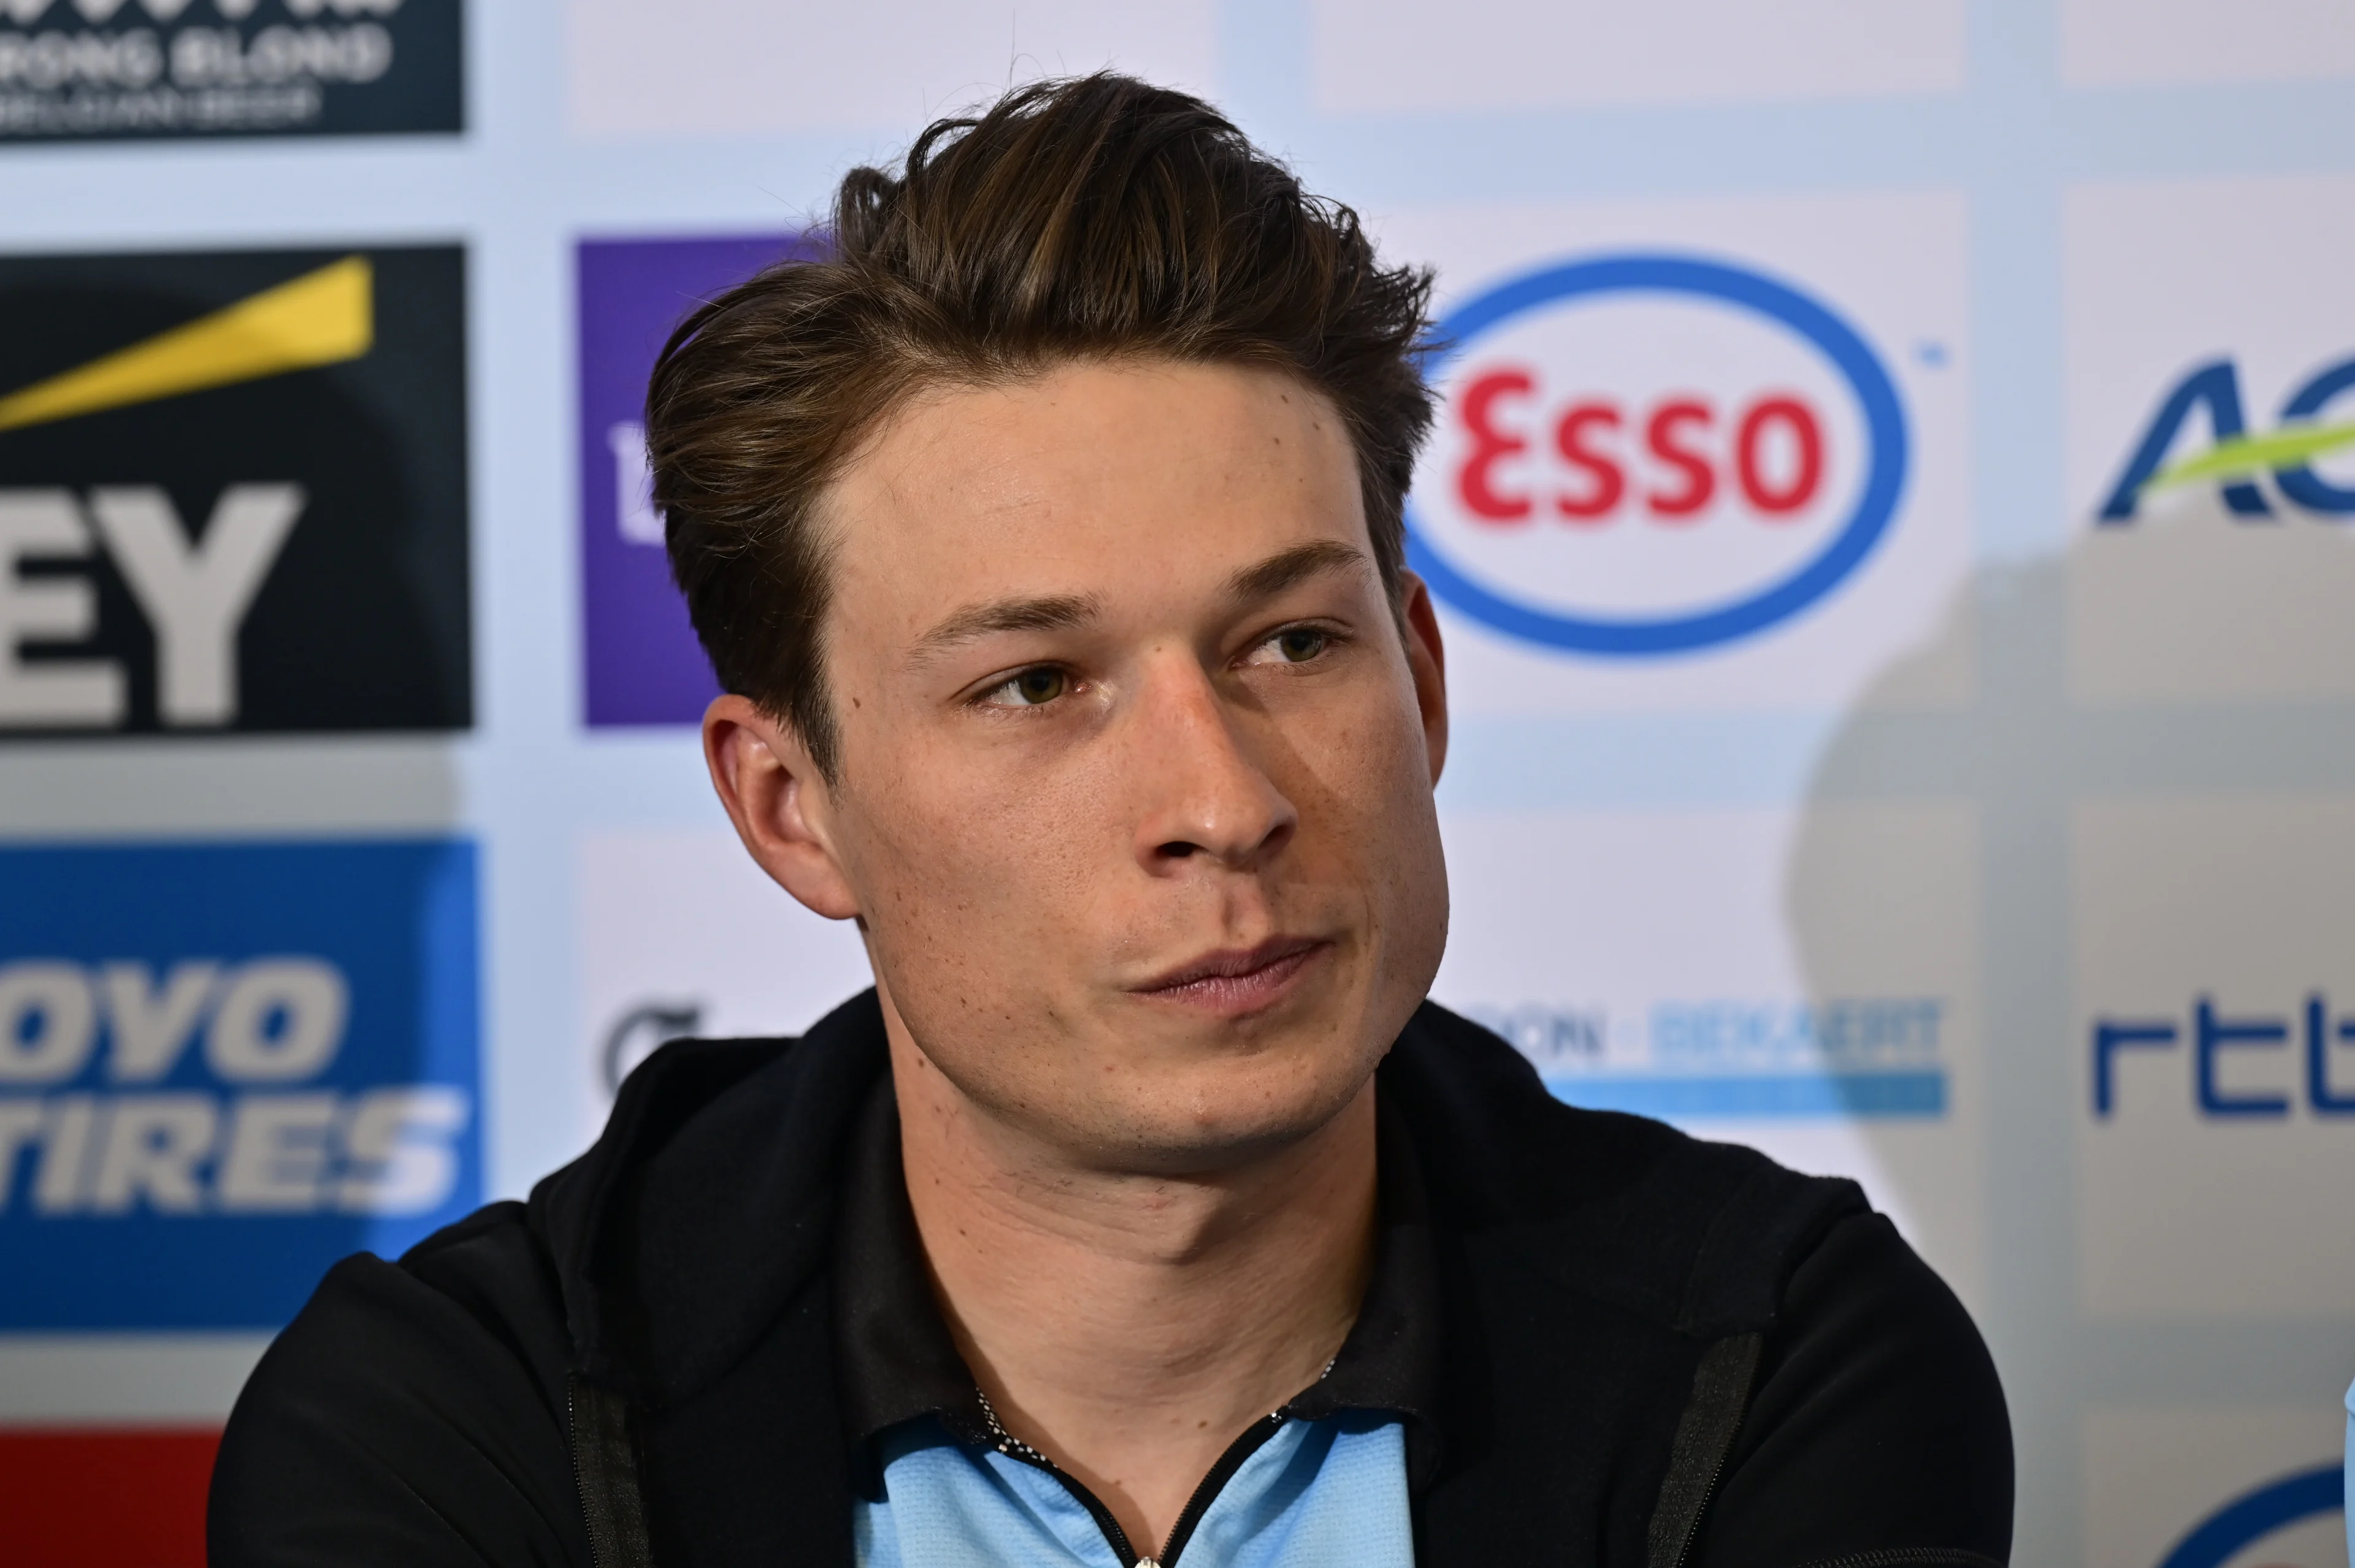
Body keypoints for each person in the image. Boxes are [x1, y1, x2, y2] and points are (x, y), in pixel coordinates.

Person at [209, 74, 2012, 1568]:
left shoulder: (1780, 1360)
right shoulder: (457, 1429)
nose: (1223, 802)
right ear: (790, 805)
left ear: (1427, 681)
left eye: (1297, 642)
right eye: (1038, 684)